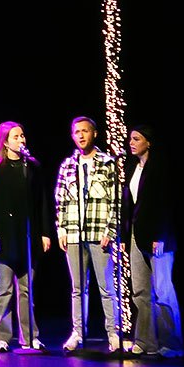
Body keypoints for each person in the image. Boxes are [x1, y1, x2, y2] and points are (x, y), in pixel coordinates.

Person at [0, 121, 53, 353]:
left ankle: (30, 337)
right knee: (4, 289)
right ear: (5, 142)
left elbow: (41, 202)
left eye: (22, 135)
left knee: (26, 290)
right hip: (4, 237)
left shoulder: (31, 167)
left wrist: (45, 232)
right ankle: (1, 337)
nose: (21, 140)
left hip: (28, 237)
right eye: (16, 136)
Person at [55, 116, 122, 352]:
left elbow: (116, 200)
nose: (81, 135)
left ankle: (113, 333)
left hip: (99, 233)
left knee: (106, 288)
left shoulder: (107, 163)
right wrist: (61, 229)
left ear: (94, 133)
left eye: (85, 131)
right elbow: (60, 199)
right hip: (74, 233)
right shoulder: (68, 165)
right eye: (77, 132)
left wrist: (110, 230)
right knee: (77, 288)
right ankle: (78, 332)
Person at [121, 124, 183, 357]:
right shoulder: (132, 168)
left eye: (136, 139)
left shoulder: (159, 167)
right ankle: (146, 341)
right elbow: (129, 204)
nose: (131, 143)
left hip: (159, 236)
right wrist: (125, 235)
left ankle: (172, 343)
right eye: (131, 139)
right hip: (137, 234)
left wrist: (160, 236)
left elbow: (165, 204)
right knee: (140, 290)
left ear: (149, 142)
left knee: (163, 290)